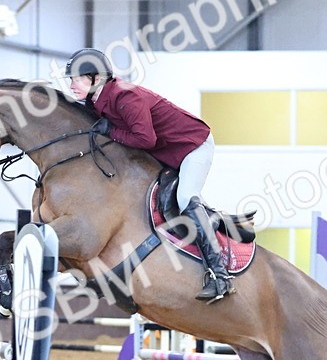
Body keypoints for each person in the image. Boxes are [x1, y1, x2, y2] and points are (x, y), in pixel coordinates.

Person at [64, 48, 232, 303]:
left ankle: (220, 276)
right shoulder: (96, 99)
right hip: (166, 150)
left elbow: (145, 138)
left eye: (76, 78)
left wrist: (111, 132)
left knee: (186, 198)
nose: (72, 84)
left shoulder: (125, 97)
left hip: (192, 146)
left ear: (96, 78)